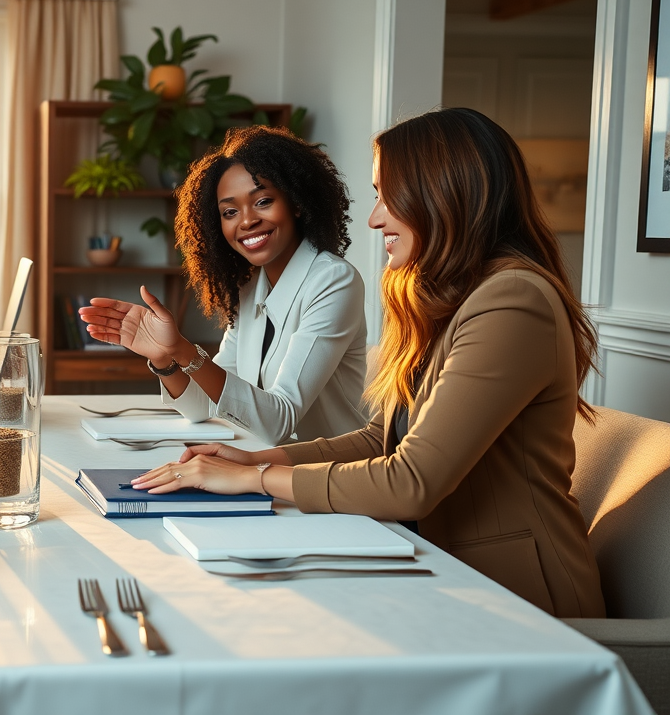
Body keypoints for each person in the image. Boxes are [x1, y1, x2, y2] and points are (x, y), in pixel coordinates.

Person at [134, 108, 605, 618]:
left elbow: (411, 482)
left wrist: (254, 480)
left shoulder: (512, 300)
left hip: (519, 599)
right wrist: (253, 460)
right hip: (439, 564)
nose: (374, 216)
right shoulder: (451, 299)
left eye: (386, 195)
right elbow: (379, 439)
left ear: (443, 192)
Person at [81, 126, 368, 445]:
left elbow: (279, 420)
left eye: (263, 201)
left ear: (296, 203)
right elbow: (206, 406)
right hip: (265, 467)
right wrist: (165, 358)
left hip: (332, 477)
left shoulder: (333, 281)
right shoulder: (250, 289)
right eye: (229, 211)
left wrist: (184, 349)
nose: (246, 221)